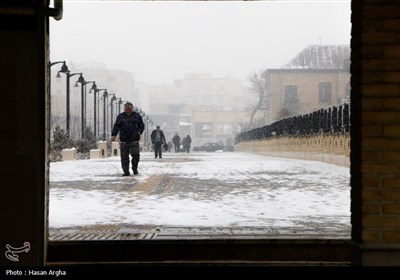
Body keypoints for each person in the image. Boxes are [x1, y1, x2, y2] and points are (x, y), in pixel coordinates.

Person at [111, 102, 144, 176]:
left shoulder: (136, 116)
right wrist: (114, 135)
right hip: (124, 140)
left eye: (129, 109)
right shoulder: (121, 116)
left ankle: (134, 168)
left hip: (134, 139)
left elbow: (142, 125)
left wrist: (139, 132)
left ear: (132, 108)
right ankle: (126, 171)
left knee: (136, 155)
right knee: (124, 157)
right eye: (126, 109)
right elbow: (116, 126)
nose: (128, 110)